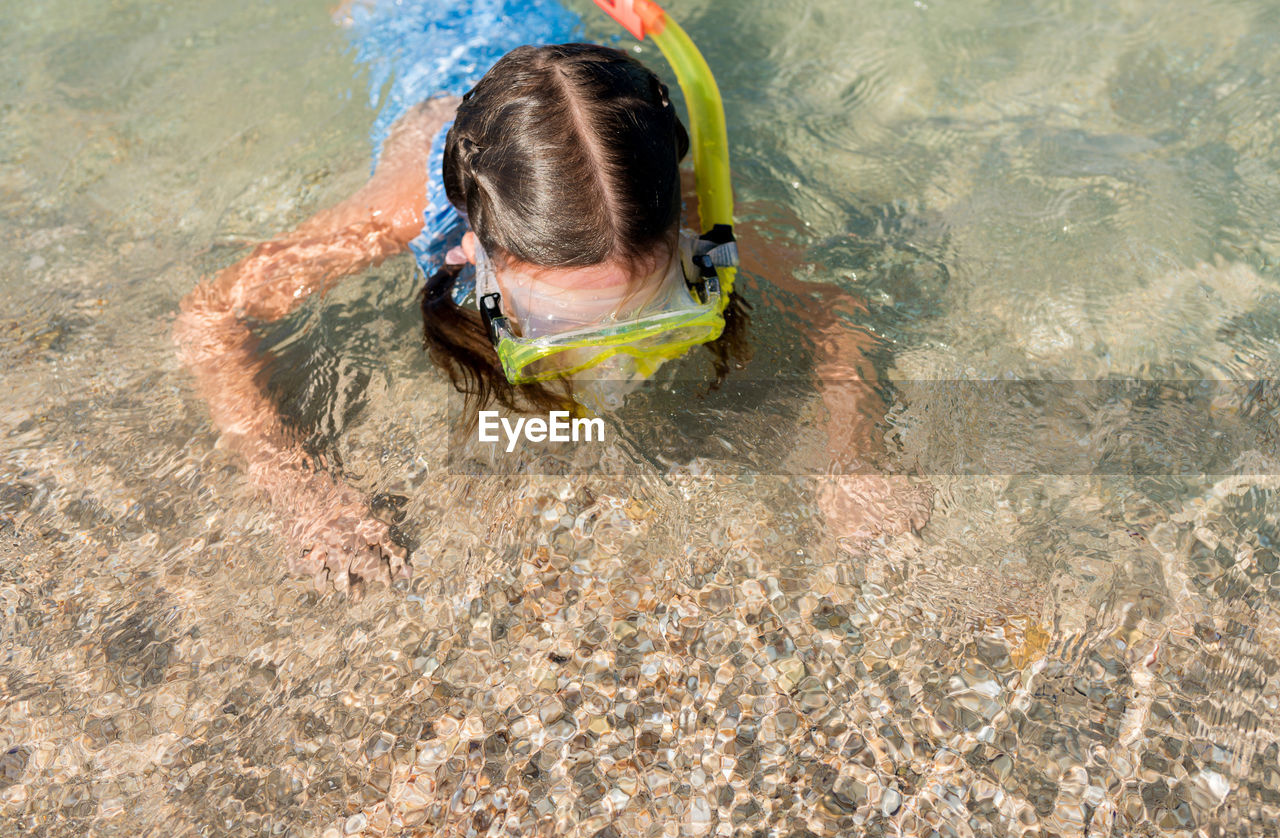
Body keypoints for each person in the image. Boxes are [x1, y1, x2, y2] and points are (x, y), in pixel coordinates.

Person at [174, 43, 930, 592]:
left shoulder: (696, 208)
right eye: (555, 339)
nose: (616, 374)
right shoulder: (406, 209)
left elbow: (836, 307)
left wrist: (856, 449)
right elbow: (210, 315)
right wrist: (300, 494)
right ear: (474, 258)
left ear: (688, 240)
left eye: (663, 320)